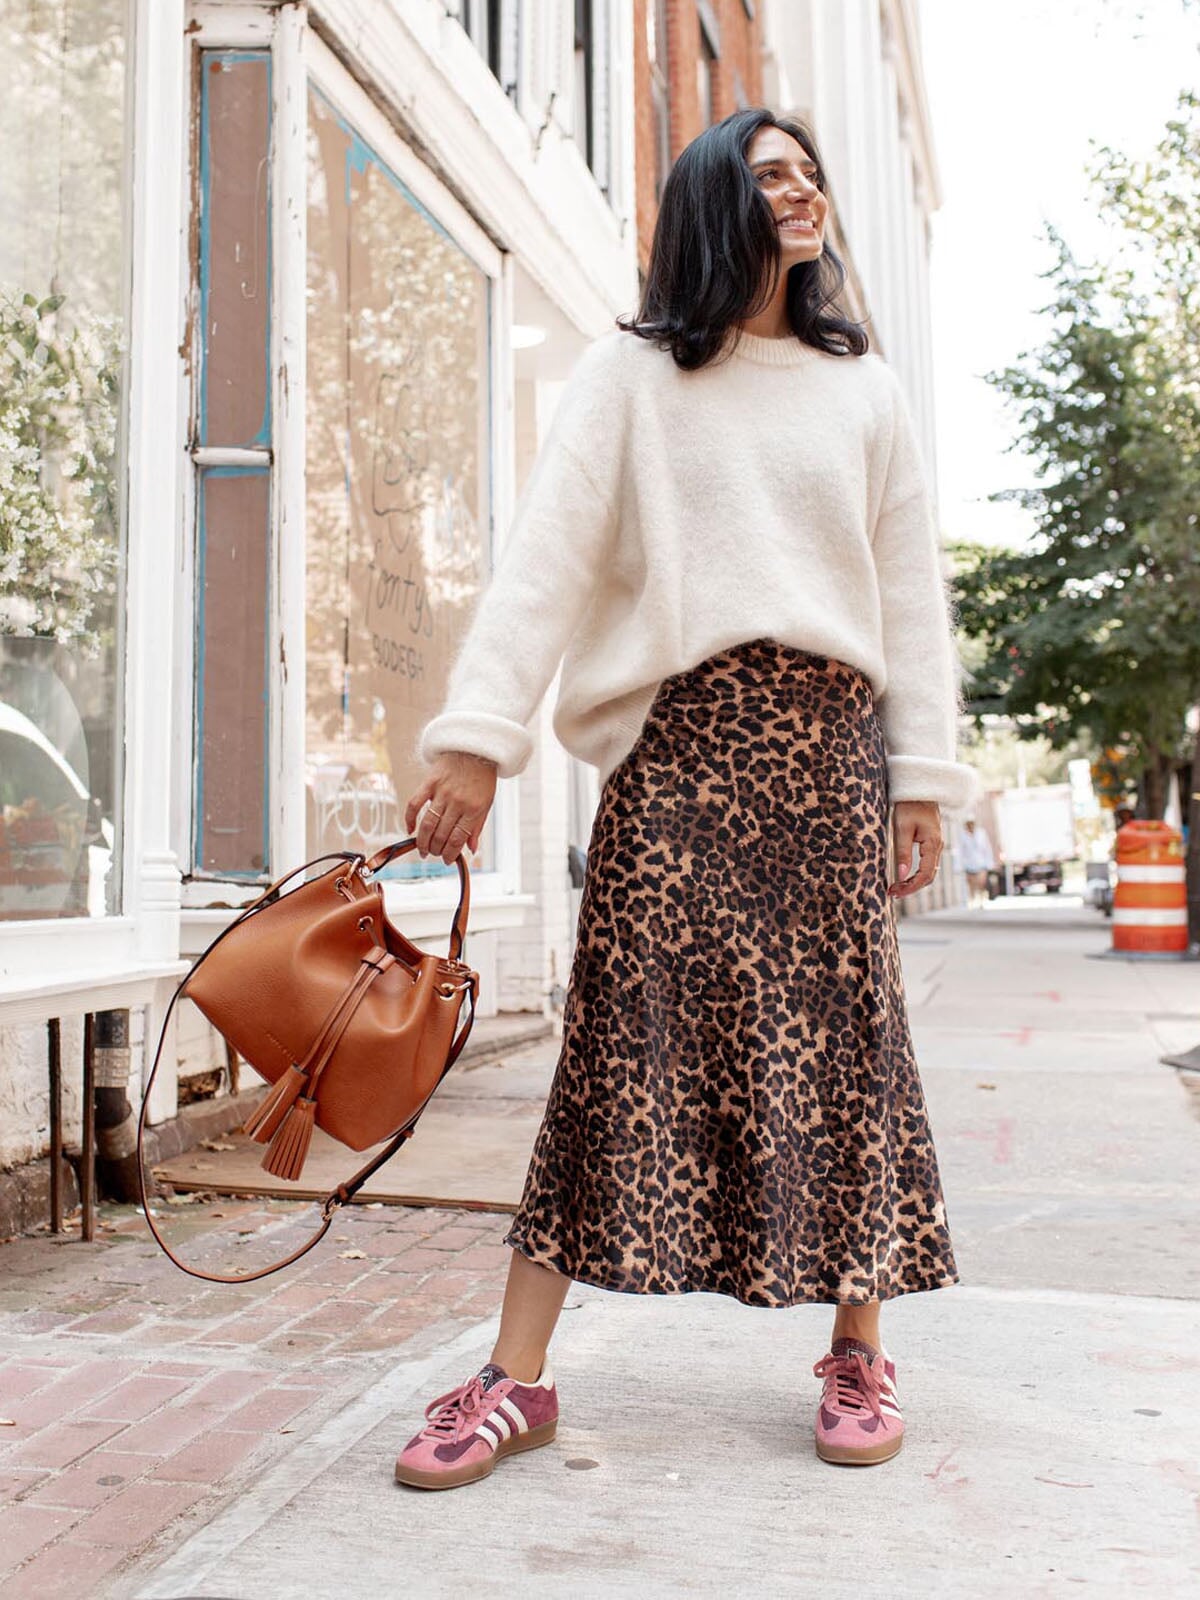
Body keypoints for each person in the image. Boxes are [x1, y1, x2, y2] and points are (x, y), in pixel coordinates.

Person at [393, 108, 979, 1490]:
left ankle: (855, 1352)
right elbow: (545, 555)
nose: (803, 193)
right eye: (771, 173)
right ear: (715, 198)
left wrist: (925, 776)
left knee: (844, 1050)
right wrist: (478, 738)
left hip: (829, 754)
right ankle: (517, 1381)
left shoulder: (864, 390)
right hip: (682, 754)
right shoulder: (633, 374)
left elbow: (911, 594)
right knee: (615, 1048)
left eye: (812, 174)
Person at [959, 818, 996, 908]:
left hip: (981, 863)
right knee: (971, 884)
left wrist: (989, 863)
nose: (970, 826)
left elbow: (987, 848)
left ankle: (982, 901)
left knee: (981, 883)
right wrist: (960, 865)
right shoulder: (963, 835)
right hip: (968, 863)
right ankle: (972, 900)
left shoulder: (981, 833)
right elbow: (960, 851)